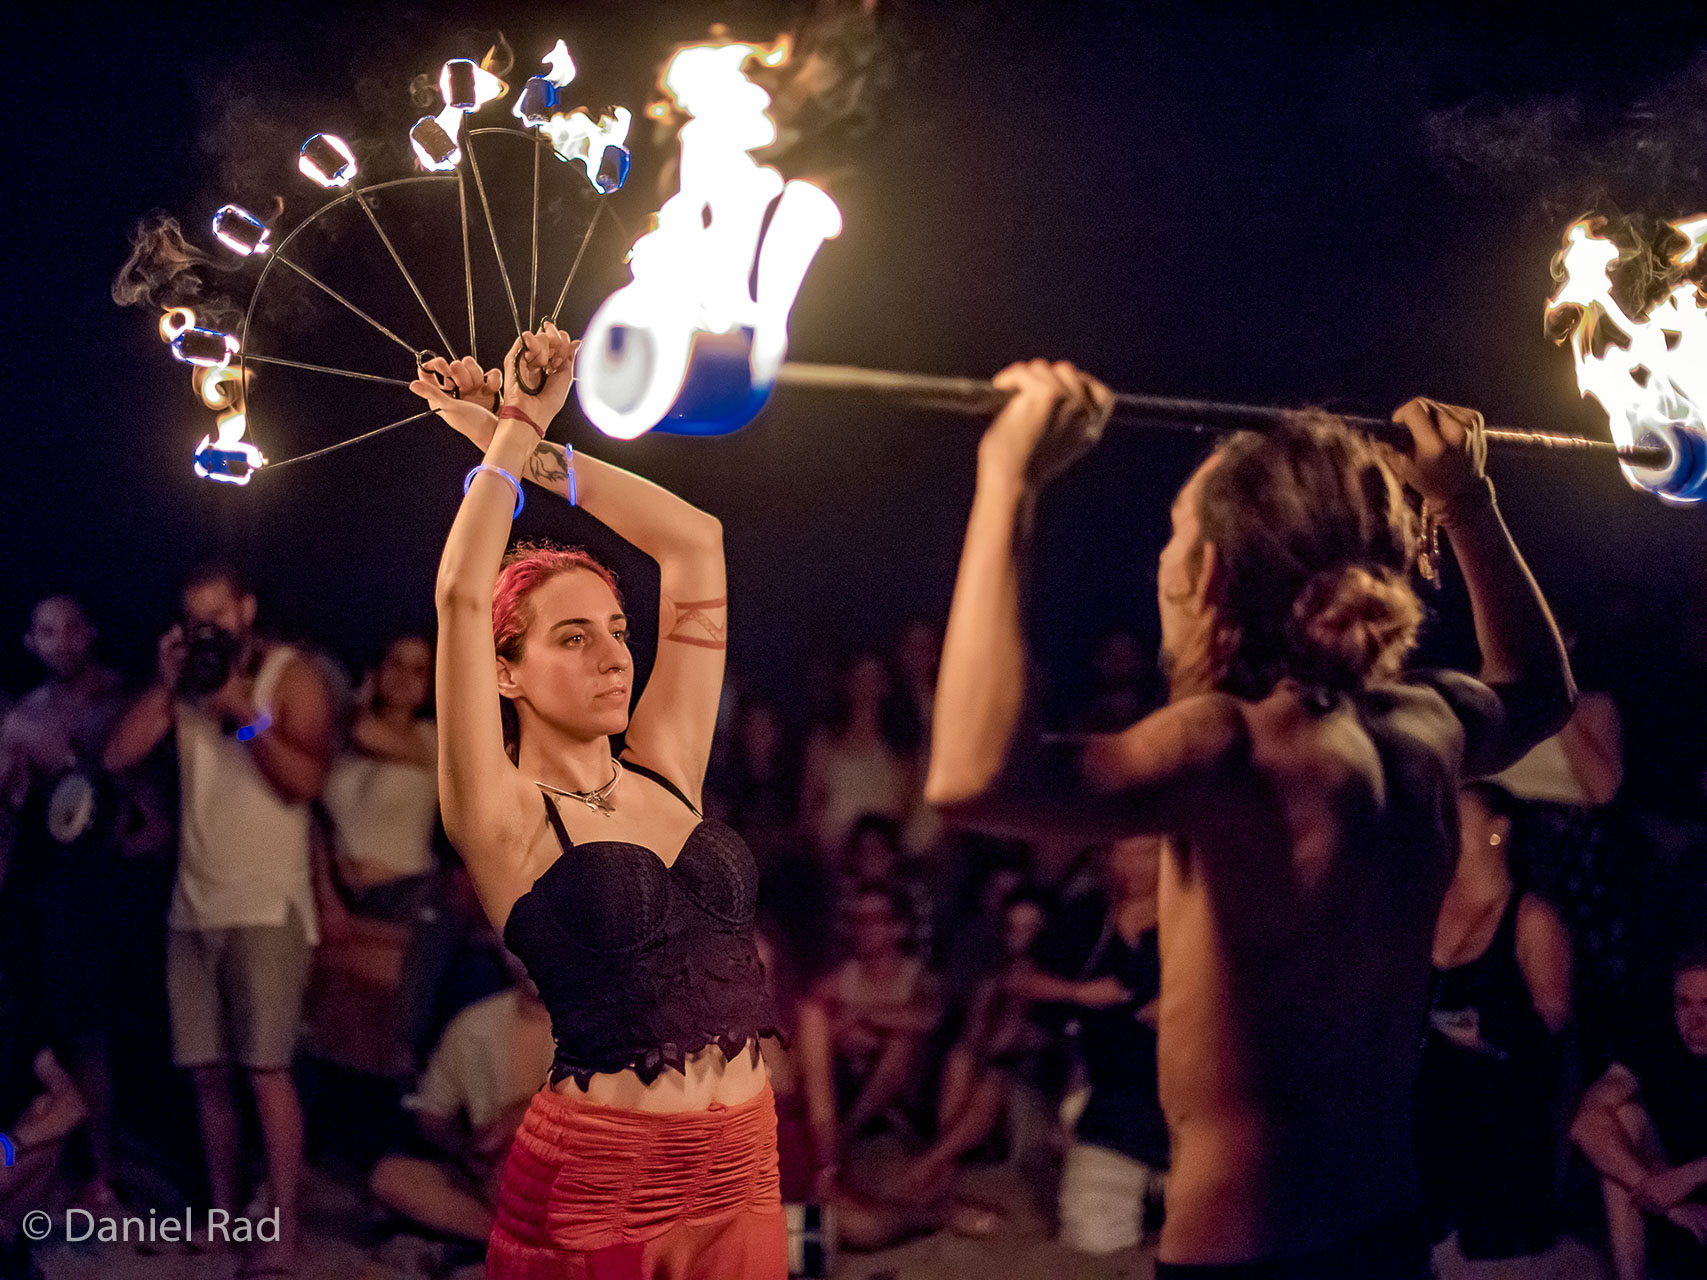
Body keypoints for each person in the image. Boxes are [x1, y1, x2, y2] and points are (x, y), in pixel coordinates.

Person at [925, 361, 1574, 1278]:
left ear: (1211, 571)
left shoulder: (1230, 745)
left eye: (1177, 532)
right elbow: (1543, 692)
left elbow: (971, 776)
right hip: (1387, 1233)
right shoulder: (1425, 724)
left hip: (1249, 1252)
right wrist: (1468, 504)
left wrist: (1008, 483)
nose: (1164, 557)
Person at [417, 328, 786, 1278]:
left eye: (617, 631)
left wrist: (528, 449)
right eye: (572, 638)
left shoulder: (665, 766)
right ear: (505, 671)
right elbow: (461, 596)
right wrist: (510, 424)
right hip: (603, 1178)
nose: (616, 655)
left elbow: (695, 542)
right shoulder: (501, 817)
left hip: (745, 1158)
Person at [104, 563, 335, 1277]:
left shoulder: (288, 676)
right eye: (195, 618)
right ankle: (224, 1219)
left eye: (219, 615)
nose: (209, 628)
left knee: (266, 1071)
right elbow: (117, 755)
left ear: (246, 609)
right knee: (207, 1077)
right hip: (193, 905)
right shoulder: (188, 687)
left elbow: (304, 784)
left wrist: (242, 711)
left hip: (268, 905)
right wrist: (172, 685)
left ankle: (285, 1229)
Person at [0, 595, 128, 1210]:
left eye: (71, 628)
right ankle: (40, 1166)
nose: (60, 641)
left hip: (104, 891)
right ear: (30, 642)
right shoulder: (21, 716)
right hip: (39, 893)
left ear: (90, 632)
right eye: (45, 631)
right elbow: (12, 810)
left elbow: (146, 800)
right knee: (39, 1033)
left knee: (91, 1035)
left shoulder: (120, 701)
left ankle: (100, 1174)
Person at [1417, 782, 1573, 1266]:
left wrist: (1488, 1034)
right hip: (1429, 1079)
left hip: (1499, 1084)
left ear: (1495, 832)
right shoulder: (1428, 902)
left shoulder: (1532, 917)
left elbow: (1553, 1017)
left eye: (1457, 817)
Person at [1026, 836, 1168, 1257]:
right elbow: (1021, 977)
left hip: (1190, 1103)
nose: (1132, 865)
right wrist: (1079, 992)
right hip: (1112, 1101)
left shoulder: (1202, 912)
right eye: (1121, 851)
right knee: (1090, 1237)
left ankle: (1162, 1194)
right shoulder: (1087, 913)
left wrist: (1186, 1007)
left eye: (1146, 851)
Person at [368, 950, 556, 1246]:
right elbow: (431, 1114)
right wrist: (465, 1149)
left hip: (572, 1179)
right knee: (389, 1177)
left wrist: (520, 1114)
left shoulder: (601, 1021)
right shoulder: (476, 1024)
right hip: (496, 1180)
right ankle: (531, 1248)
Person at [1570, 948, 1707, 1280]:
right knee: (1624, 1117)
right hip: (1675, 1198)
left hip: (1690, 1179)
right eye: (1684, 1004)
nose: (1696, 1020)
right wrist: (1665, 1198)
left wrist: (1690, 1175)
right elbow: (1585, 1125)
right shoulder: (1658, 1042)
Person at [796, 884, 942, 1183]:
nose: (863, 929)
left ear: (898, 928)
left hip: (912, 1091)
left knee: (903, 1042)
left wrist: (863, 1016)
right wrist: (841, 1031)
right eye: (858, 920)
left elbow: (929, 1017)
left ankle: (847, 1134)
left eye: (873, 919)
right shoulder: (843, 977)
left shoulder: (917, 976)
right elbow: (804, 1022)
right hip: (851, 1083)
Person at [801, 654, 918, 857]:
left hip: (882, 853)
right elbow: (808, 803)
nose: (867, 687)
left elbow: (906, 805)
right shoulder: (827, 739)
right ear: (849, 683)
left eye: (874, 679)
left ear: (886, 685)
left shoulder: (899, 745)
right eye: (861, 678)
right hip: (831, 848)